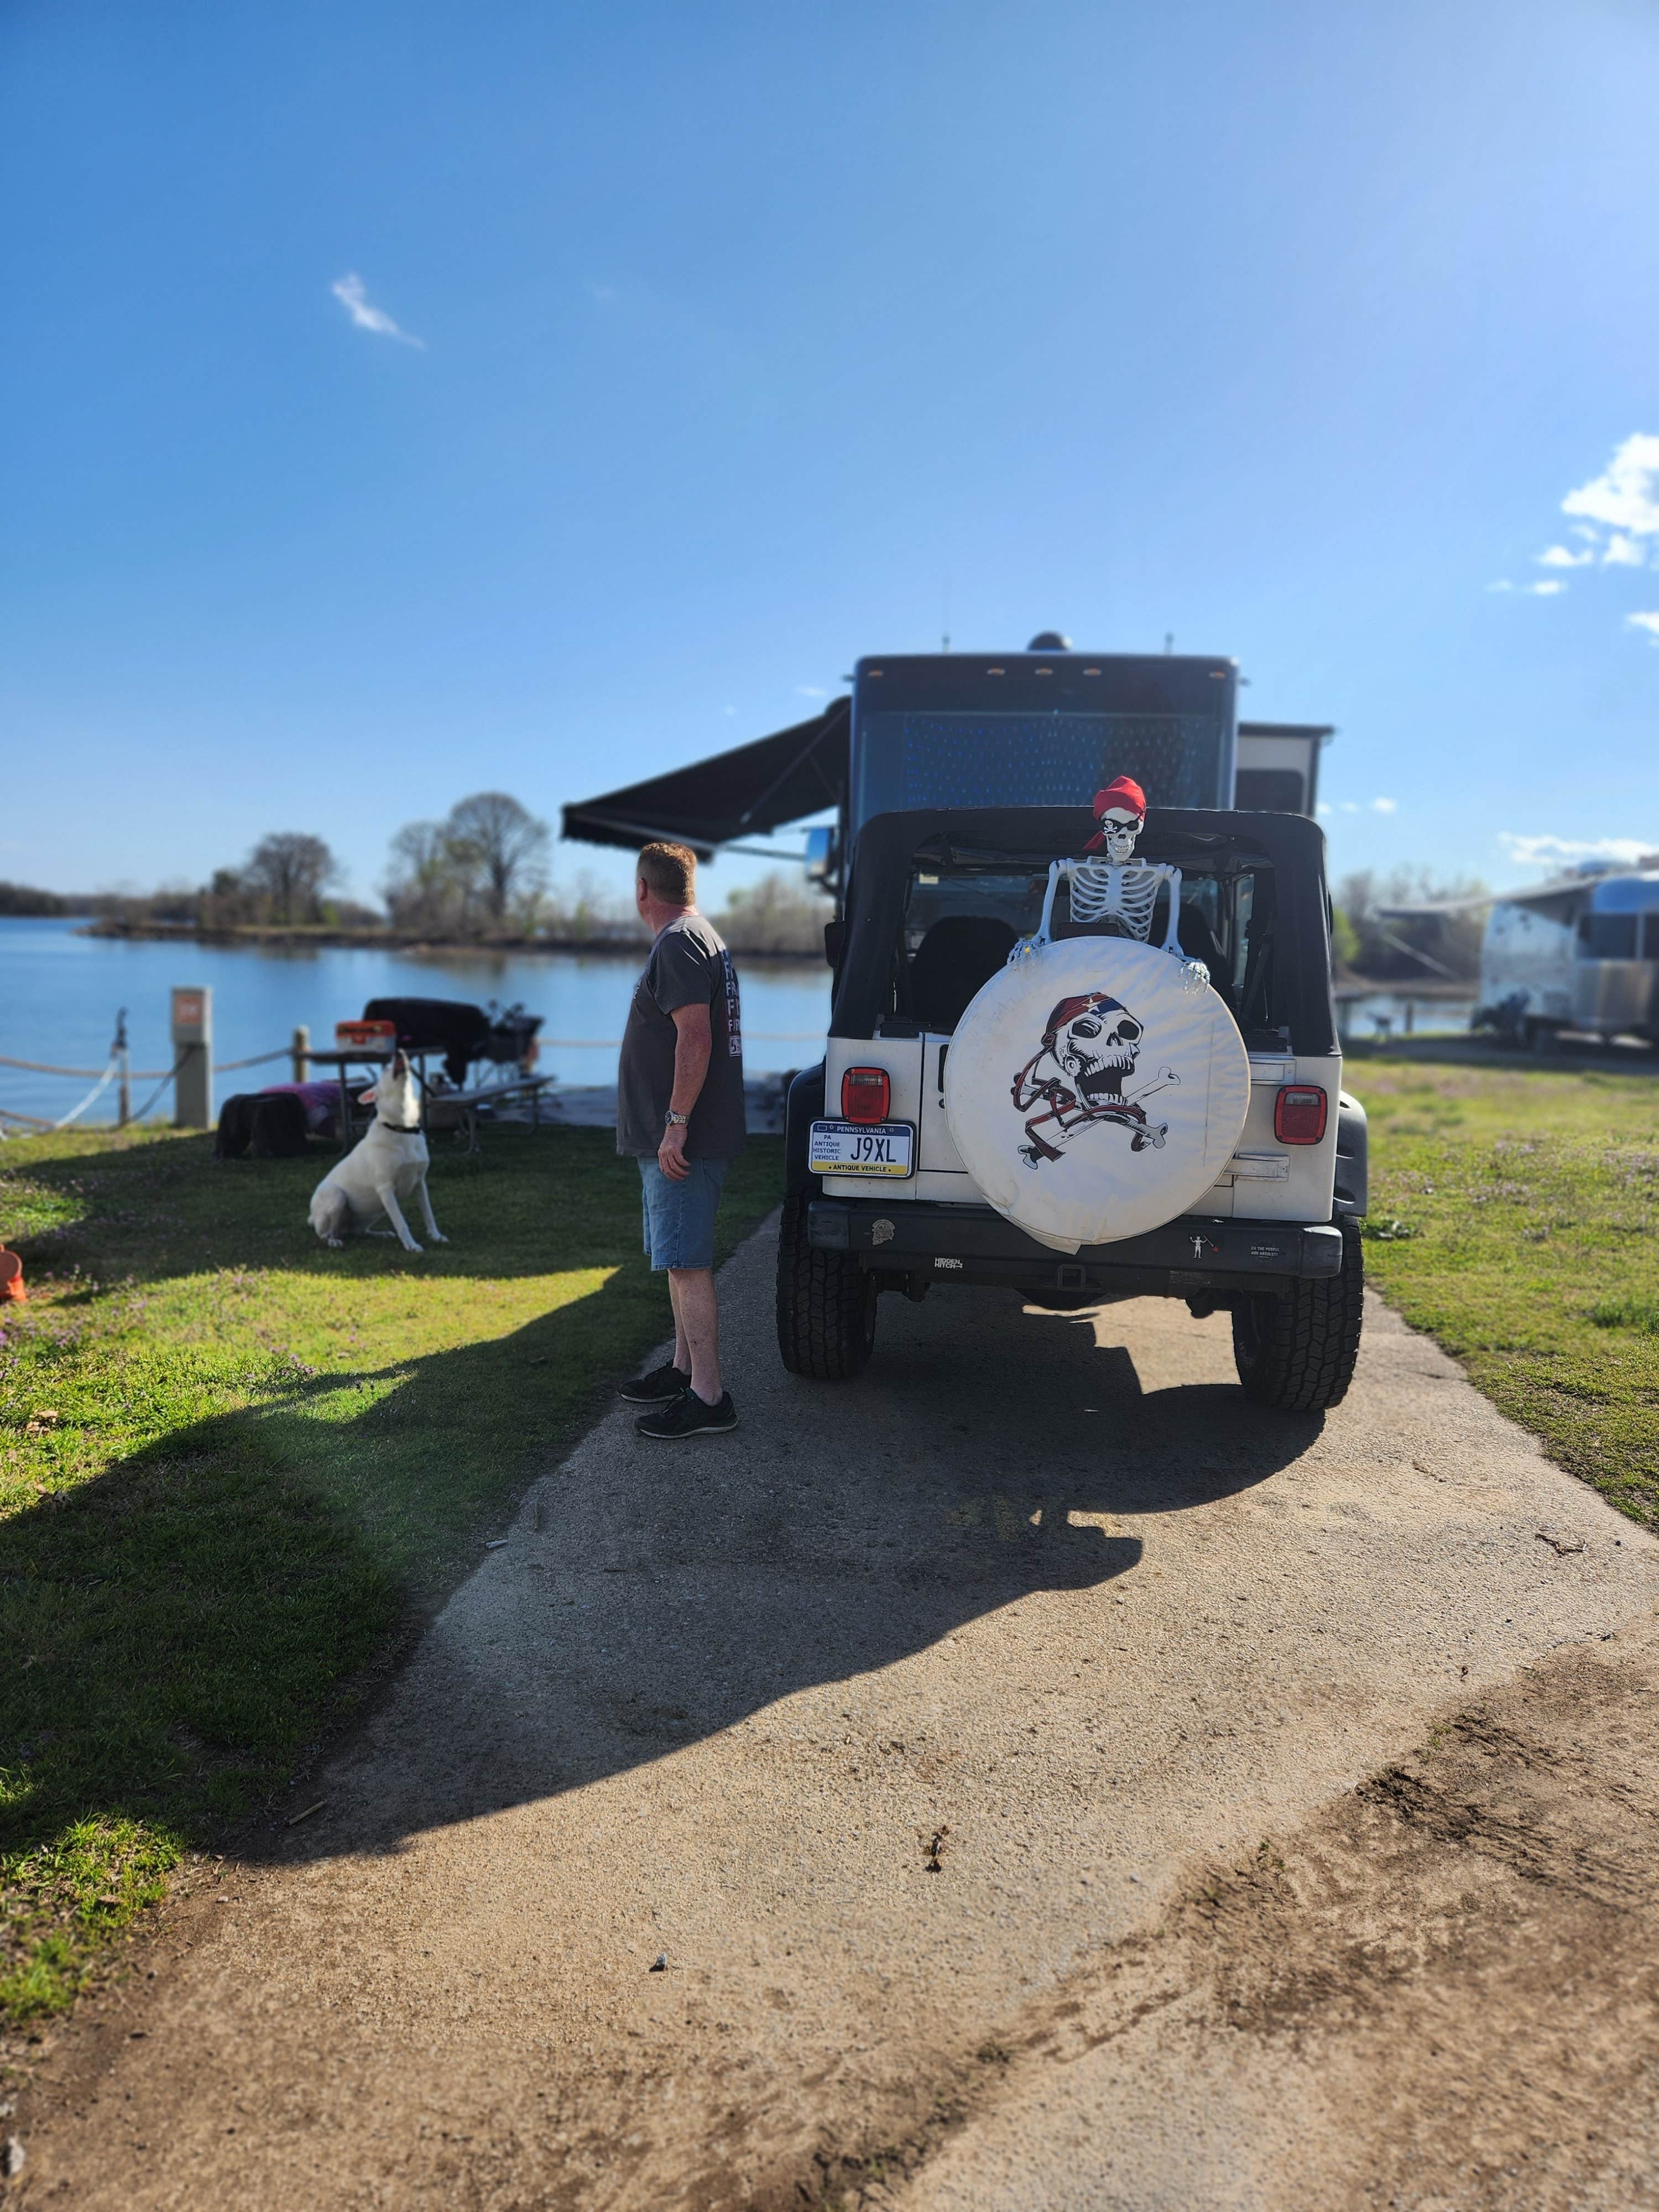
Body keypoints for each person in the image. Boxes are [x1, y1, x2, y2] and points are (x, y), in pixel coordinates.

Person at [615, 841, 746, 1438]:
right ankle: (683, 1369)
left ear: (644, 889)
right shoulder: (701, 937)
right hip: (681, 1134)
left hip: (683, 1139)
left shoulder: (678, 943)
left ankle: (709, 1397)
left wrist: (675, 1123)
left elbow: (695, 1039)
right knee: (676, 1259)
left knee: (688, 1264)